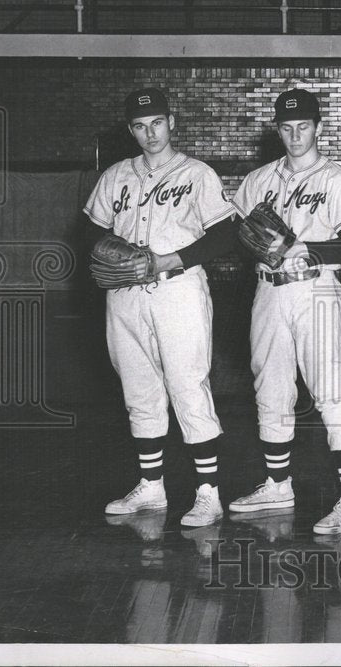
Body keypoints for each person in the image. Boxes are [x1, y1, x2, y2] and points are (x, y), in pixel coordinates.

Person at [85, 87, 236, 527]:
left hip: (178, 289)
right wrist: (104, 249)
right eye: (139, 126)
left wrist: (171, 258)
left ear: (172, 122)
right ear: (130, 130)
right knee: (139, 391)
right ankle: (152, 487)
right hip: (125, 296)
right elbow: (88, 231)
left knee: (188, 387)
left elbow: (225, 235)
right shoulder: (115, 175)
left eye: (157, 123)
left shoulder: (197, 173)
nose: (150, 133)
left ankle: (208, 493)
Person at [228, 88, 341, 535]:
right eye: (287, 127)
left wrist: (306, 246)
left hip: (315, 291)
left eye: (303, 126)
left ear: (318, 128)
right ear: (278, 129)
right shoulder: (257, 180)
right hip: (268, 291)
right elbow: (236, 232)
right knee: (269, 389)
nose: (295, 135)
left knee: (332, 393)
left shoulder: (337, 180)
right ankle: (277, 485)